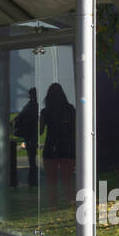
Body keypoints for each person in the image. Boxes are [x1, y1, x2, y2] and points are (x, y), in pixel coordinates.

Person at [40, 82, 76, 210]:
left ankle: (53, 205)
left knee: (51, 180)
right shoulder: (70, 109)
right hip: (68, 148)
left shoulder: (46, 112)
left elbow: (40, 131)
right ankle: (71, 201)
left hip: (51, 148)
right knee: (68, 179)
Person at [13, 87, 40, 190]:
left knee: (31, 158)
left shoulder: (30, 106)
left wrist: (14, 120)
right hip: (32, 134)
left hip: (29, 135)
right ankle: (32, 178)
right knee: (32, 157)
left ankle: (32, 180)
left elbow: (22, 115)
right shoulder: (34, 105)